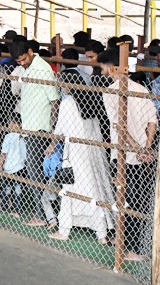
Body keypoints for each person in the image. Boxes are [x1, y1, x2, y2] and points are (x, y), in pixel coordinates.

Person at [101, 52, 158, 261]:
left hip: (125, 153)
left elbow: (119, 126)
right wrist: (147, 145)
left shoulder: (109, 92)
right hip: (143, 153)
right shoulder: (141, 89)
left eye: (103, 67)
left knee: (124, 199)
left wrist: (138, 148)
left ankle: (125, 245)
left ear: (113, 68)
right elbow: (153, 120)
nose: (102, 71)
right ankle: (130, 246)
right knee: (139, 200)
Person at [47, 68, 114, 244]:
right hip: (92, 152)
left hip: (75, 153)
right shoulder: (89, 100)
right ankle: (101, 233)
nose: (60, 86)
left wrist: (52, 146)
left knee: (69, 189)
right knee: (94, 189)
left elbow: (60, 130)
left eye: (62, 82)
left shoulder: (68, 103)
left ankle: (64, 230)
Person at [10, 40, 60, 226]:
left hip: (40, 127)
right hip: (29, 125)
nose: (21, 63)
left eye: (23, 59)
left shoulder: (43, 69)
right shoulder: (28, 68)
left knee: (35, 172)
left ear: (30, 52)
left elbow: (54, 100)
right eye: (18, 61)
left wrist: (53, 131)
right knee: (33, 171)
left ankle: (42, 215)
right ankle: (44, 213)